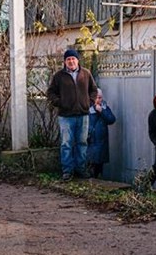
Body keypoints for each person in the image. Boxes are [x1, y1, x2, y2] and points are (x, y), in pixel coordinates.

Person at [47, 49, 98, 182]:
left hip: (83, 114)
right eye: (68, 59)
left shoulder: (86, 73)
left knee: (82, 143)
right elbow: (51, 93)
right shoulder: (59, 76)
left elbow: (93, 90)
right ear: (64, 61)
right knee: (66, 144)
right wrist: (60, 102)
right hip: (66, 116)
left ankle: (80, 169)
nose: (71, 61)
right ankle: (67, 171)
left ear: (77, 60)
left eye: (73, 59)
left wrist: (89, 102)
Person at [87, 88, 116, 178]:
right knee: (92, 164)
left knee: (100, 165)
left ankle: (98, 181)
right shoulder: (88, 109)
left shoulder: (104, 107)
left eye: (100, 97)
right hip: (92, 141)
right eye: (96, 97)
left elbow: (111, 119)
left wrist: (101, 111)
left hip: (102, 141)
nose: (98, 100)